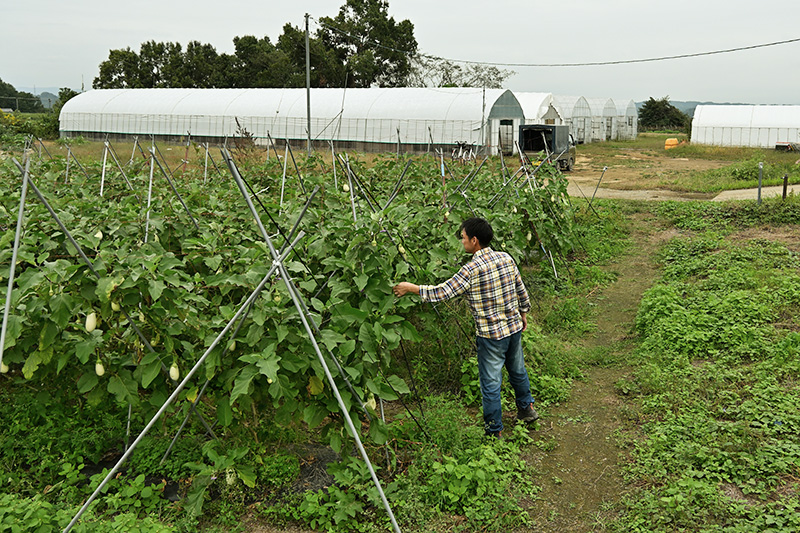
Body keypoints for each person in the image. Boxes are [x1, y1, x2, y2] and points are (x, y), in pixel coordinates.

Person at [393, 217, 538, 438]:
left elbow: (442, 292)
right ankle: (527, 410)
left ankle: (494, 431)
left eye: (463, 238)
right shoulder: (506, 258)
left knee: (490, 383)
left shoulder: (471, 269)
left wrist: (411, 288)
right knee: (517, 370)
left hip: (491, 337)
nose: (462, 242)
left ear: (474, 240)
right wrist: (524, 312)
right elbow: (521, 288)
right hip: (513, 327)